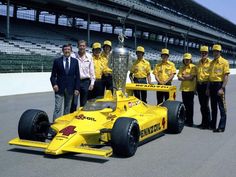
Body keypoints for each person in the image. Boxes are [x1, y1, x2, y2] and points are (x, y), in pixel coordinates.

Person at [50, 44, 80, 121]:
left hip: (70, 89)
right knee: (57, 108)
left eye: (68, 49)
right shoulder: (57, 61)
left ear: (71, 51)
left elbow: (77, 76)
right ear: (63, 51)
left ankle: (64, 125)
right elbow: (53, 76)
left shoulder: (75, 61)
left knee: (67, 108)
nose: (67, 51)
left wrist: (77, 88)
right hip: (59, 89)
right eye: (65, 49)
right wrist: (54, 84)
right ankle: (55, 125)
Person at [208, 44, 230, 133]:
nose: (215, 53)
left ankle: (221, 127)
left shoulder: (224, 62)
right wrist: (208, 88)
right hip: (212, 86)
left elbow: (226, 76)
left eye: (217, 51)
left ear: (220, 52)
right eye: (214, 51)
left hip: (219, 86)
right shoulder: (211, 63)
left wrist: (222, 88)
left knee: (221, 107)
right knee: (213, 107)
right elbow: (209, 77)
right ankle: (213, 124)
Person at [70, 40, 95, 112]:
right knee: (74, 103)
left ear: (86, 47)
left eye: (83, 46)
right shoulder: (73, 56)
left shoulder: (89, 57)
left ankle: (81, 119)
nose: (82, 47)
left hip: (85, 82)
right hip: (75, 82)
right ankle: (71, 119)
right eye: (80, 45)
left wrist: (92, 83)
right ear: (77, 46)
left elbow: (92, 71)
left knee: (84, 103)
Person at [177, 53, 197, 127]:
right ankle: (186, 120)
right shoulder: (182, 67)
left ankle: (190, 121)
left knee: (190, 106)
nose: (187, 61)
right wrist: (186, 77)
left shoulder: (193, 67)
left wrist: (183, 76)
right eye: (185, 59)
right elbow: (179, 77)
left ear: (190, 60)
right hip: (183, 89)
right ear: (183, 60)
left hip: (190, 89)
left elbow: (192, 77)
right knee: (185, 106)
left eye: (188, 59)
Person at [196, 46, 211, 129]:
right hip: (199, 85)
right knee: (202, 105)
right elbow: (197, 76)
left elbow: (210, 77)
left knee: (205, 105)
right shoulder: (198, 63)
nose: (203, 54)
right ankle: (203, 122)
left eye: (205, 53)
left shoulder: (210, 63)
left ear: (207, 53)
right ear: (200, 53)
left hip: (206, 85)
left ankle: (207, 123)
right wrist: (195, 88)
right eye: (202, 53)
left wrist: (208, 88)